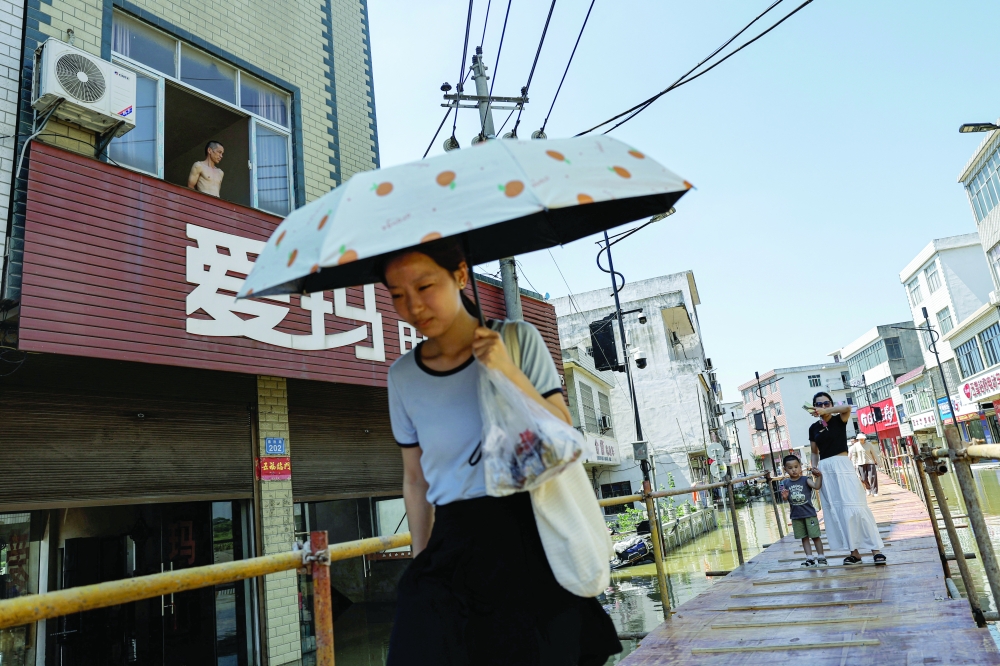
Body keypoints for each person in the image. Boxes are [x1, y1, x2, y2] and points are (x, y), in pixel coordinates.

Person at [382, 241, 621, 665]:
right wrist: (421, 563)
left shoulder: (516, 338)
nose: (414, 306)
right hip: (454, 537)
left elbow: (562, 429)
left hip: (527, 526)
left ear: (459, 275)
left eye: (424, 286)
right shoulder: (402, 376)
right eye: (398, 295)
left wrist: (507, 370)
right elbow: (415, 478)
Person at [808, 391, 886, 565]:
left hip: (843, 465)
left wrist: (828, 410)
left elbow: (847, 408)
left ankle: (875, 549)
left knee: (857, 505)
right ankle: (854, 553)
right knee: (837, 510)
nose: (823, 407)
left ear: (831, 404)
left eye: (826, 403)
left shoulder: (839, 419)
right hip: (825, 469)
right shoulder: (813, 428)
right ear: (814, 407)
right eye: (819, 404)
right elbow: (814, 452)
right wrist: (814, 466)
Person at [780, 454, 826, 567]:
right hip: (796, 516)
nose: (794, 470)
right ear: (785, 469)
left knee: (815, 536)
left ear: (800, 467)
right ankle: (809, 558)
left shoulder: (806, 479)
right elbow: (784, 498)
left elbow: (816, 486)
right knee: (804, 537)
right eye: (790, 468)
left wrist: (819, 476)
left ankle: (821, 557)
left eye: (796, 467)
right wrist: (785, 496)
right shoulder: (783, 483)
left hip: (809, 514)